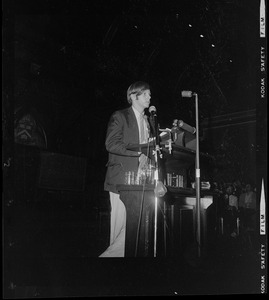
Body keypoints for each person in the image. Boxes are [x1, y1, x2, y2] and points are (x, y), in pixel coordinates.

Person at [99, 81, 152, 257]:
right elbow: (111, 144)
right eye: (145, 94)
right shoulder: (120, 116)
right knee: (119, 228)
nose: (149, 97)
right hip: (122, 180)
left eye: (149, 94)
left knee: (135, 228)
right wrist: (137, 154)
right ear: (133, 96)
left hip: (142, 181)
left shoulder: (148, 121)